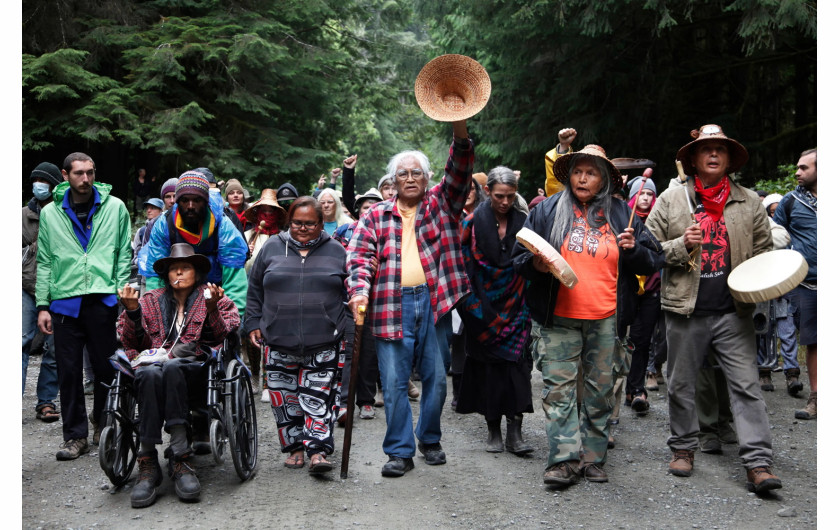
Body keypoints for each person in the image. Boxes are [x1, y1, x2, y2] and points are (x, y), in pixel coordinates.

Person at [512, 144, 663, 487]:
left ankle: (593, 458)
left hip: (607, 319)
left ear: (605, 180)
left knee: (600, 391)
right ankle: (563, 461)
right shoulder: (547, 211)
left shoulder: (623, 214)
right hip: (557, 319)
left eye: (591, 173)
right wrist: (536, 264)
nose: (583, 178)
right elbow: (517, 261)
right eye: (578, 171)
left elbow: (655, 260)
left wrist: (634, 250)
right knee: (559, 392)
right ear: (569, 176)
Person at [645, 124, 781, 493]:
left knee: (747, 387)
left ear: (729, 158)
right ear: (693, 158)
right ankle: (684, 448)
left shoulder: (749, 201)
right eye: (706, 149)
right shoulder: (671, 201)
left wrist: (760, 289)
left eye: (720, 148)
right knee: (680, 385)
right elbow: (647, 249)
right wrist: (679, 245)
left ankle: (757, 462)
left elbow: (765, 251)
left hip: (733, 312)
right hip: (685, 309)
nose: (713, 154)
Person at [346, 119, 474, 478]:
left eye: (417, 172)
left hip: (434, 303)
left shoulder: (442, 204)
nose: (410, 178)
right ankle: (400, 451)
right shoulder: (375, 216)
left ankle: (429, 439)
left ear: (427, 177)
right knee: (394, 380)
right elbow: (357, 258)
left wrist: (459, 130)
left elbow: (460, 172)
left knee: (435, 376)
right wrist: (359, 293)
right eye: (402, 174)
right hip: (390, 304)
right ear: (393, 182)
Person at [117, 244, 240, 507]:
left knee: (171, 366)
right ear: (166, 275)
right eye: (174, 269)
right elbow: (133, 342)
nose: (179, 273)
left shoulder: (215, 297)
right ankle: (148, 458)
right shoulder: (149, 300)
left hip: (196, 373)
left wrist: (211, 309)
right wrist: (133, 312)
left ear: (197, 272)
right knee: (150, 372)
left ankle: (180, 455)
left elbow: (220, 336)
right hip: (153, 372)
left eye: (185, 268)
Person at [36, 152, 132, 460]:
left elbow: (123, 253)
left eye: (90, 172)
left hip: (102, 299)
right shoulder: (51, 213)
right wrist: (42, 304)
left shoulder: (115, 207)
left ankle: (103, 426)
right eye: (78, 173)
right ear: (66, 175)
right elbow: (45, 260)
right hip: (65, 302)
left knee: (105, 368)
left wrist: (117, 291)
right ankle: (74, 436)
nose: (85, 179)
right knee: (69, 371)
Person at [246, 196, 347, 474]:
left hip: (324, 340)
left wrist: (348, 324)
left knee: (318, 397)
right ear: (289, 222)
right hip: (278, 339)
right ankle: (294, 448)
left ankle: (317, 451)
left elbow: (349, 292)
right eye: (297, 223)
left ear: (321, 223)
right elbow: (255, 290)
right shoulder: (271, 248)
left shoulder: (337, 251)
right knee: (285, 398)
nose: (303, 229)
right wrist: (253, 321)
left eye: (310, 224)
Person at [456, 166, 534, 456]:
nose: (505, 202)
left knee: (518, 369)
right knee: (488, 371)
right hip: (480, 308)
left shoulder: (525, 222)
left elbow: (533, 259)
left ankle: (516, 430)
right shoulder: (472, 223)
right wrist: (472, 307)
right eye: (499, 196)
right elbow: (461, 268)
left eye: (510, 197)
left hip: (517, 306)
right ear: (487, 191)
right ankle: (493, 429)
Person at [138, 171, 248, 321]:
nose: (190, 206)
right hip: (175, 297)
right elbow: (154, 275)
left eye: (197, 200)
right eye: (184, 200)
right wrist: (157, 315)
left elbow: (235, 279)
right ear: (177, 201)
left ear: (206, 201)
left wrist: (230, 319)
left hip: (216, 296)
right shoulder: (164, 225)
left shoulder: (223, 226)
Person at [774, 148, 817, 419]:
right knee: (815, 343)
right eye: (797, 167)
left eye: (804, 168)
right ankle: (817, 399)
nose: (798, 172)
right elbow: (776, 236)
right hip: (808, 284)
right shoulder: (790, 202)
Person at [23, 162, 62, 423]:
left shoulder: (62, 213)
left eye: (44, 181)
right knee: (20, 341)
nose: (39, 185)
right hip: (26, 286)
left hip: (58, 289)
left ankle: (46, 401)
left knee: (54, 348)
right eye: (36, 180)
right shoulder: (22, 215)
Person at [623, 175, 661, 416]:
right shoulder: (622, 217)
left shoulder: (659, 220)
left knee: (642, 340)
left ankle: (637, 390)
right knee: (620, 339)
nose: (645, 198)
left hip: (651, 289)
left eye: (649, 194)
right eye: (641, 194)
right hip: (624, 288)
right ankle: (619, 388)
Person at [543, 128, 575, 197]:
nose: (583, 179)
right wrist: (564, 146)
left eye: (590, 173)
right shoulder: (564, 202)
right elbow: (555, 187)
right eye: (577, 172)